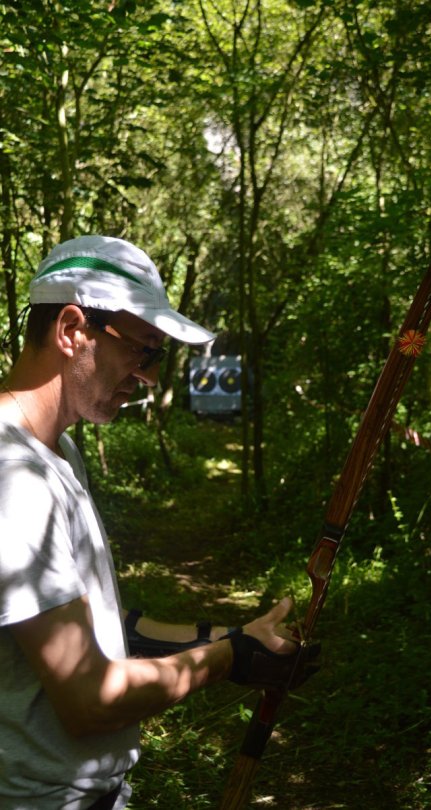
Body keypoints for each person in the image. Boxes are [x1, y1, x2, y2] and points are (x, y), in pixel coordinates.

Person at [0, 236, 313, 810]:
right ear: (72, 330)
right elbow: (91, 699)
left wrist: (234, 637)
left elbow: (98, 626)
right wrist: (232, 659)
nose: (148, 378)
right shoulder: (14, 480)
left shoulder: (57, 452)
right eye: (142, 352)